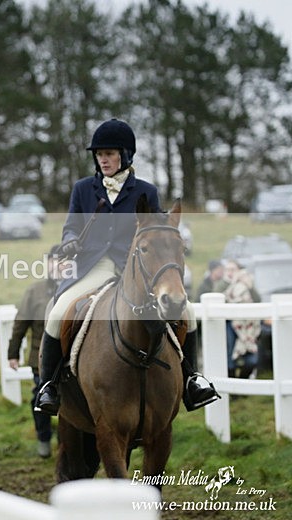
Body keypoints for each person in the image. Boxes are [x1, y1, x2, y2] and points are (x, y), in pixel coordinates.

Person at [34, 118, 219, 414]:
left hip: (136, 267)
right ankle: (50, 386)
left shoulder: (146, 190)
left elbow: (158, 230)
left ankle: (192, 379)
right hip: (94, 266)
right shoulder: (83, 189)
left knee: (188, 312)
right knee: (58, 311)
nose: (103, 160)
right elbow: (71, 227)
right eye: (99, 154)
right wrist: (69, 242)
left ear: (125, 155)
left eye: (109, 154)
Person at [7, 245, 60, 458]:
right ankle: (43, 437)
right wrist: (13, 353)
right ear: (47, 264)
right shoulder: (35, 291)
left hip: (71, 359)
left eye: (64, 261)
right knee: (39, 398)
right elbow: (21, 323)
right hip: (40, 358)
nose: (58, 265)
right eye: (54, 260)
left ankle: (67, 443)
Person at [223, 260, 260, 378]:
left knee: (251, 359)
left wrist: (250, 287)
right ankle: (232, 385)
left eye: (232, 269)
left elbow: (258, 300)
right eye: (227, 269)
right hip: (229, 325)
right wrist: (233, 284)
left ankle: (243, 380)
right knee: (229, 360)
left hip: (247, 326)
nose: (230, 272)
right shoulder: (222, 284)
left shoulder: (247, 282)